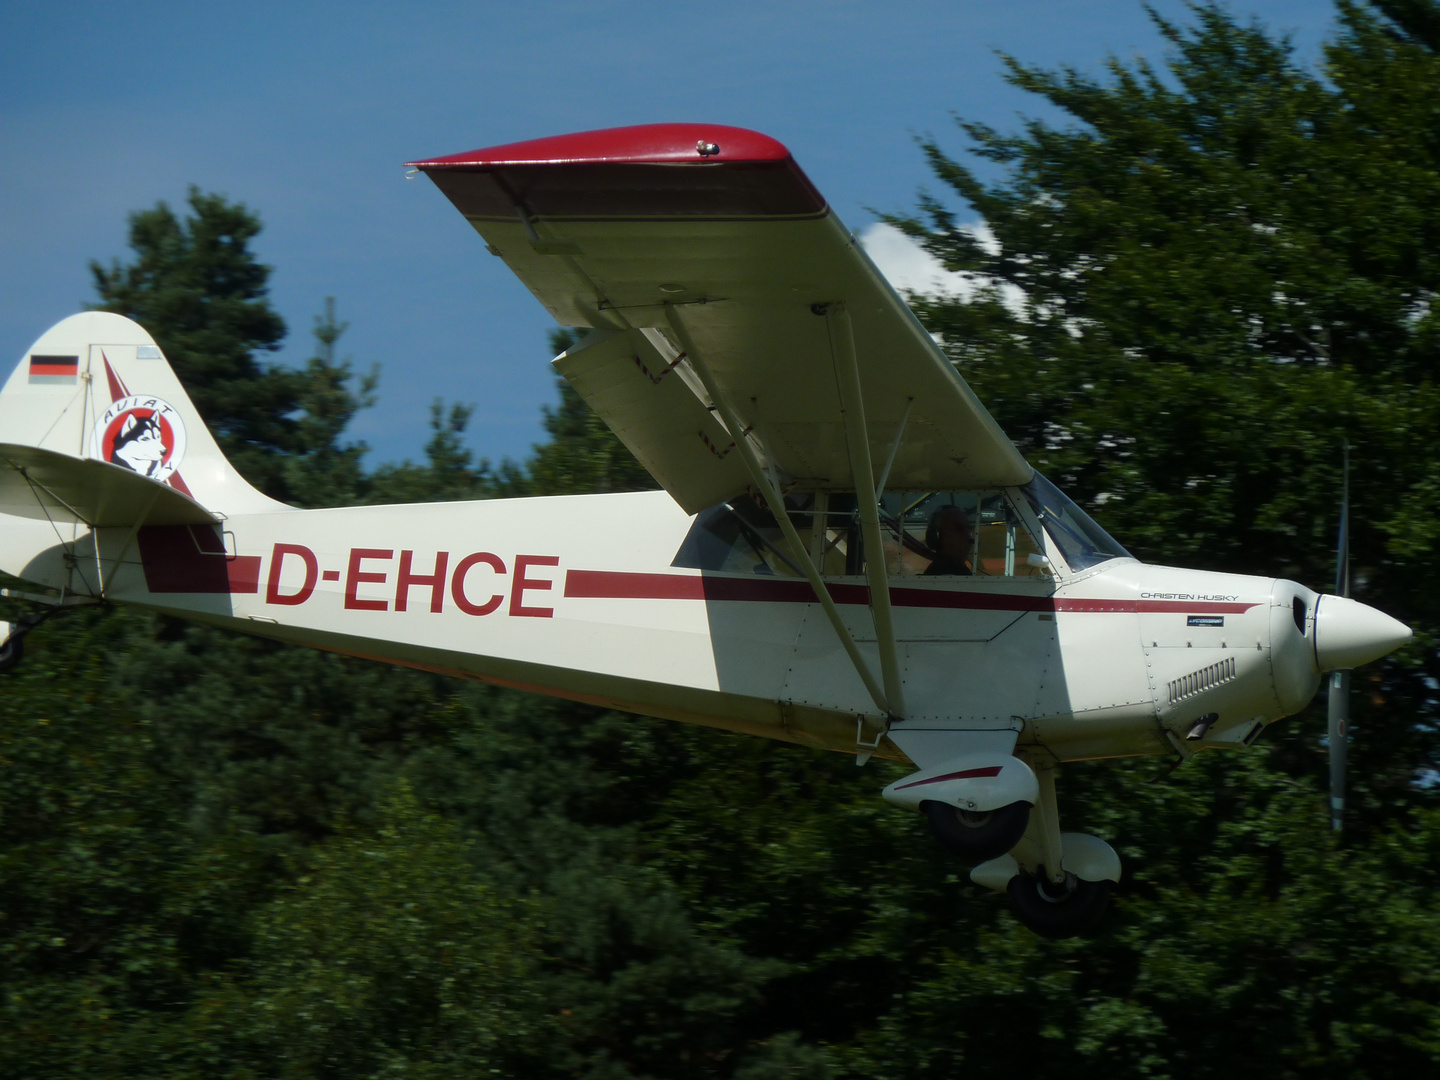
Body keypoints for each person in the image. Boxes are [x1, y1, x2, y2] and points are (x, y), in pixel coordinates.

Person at [923, 505, 973, 576]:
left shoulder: (961, 570)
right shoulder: (945, 575)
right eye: (959, 528)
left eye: (968, 527)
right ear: (937, 537)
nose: (967, 534)